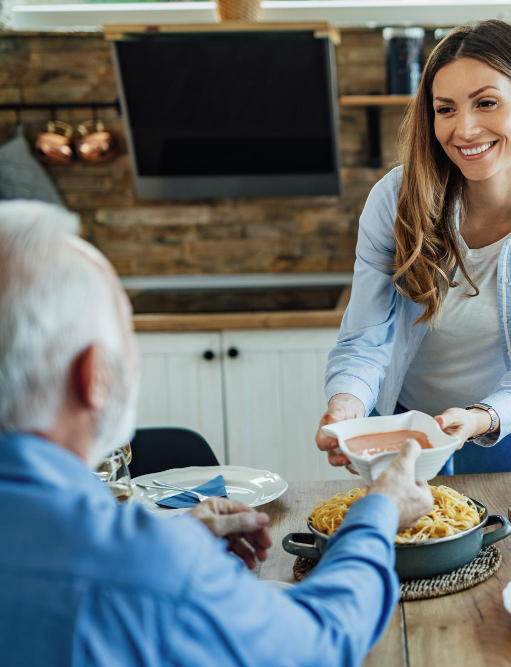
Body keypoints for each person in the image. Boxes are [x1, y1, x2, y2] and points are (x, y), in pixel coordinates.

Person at [0, 200, 434, 666]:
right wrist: (378, 512)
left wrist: (178, 541)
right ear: (96, 377)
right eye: (127, 330)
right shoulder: (142, 566)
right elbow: (321, 639)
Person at [315, 20, 511, 474]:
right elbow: (366, 337)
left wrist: (480, 418)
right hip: (402, 430)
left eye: (486, 103)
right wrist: (346, 405)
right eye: (446, 109)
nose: (465, 128)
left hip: (507, 432)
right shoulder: (396, 200)